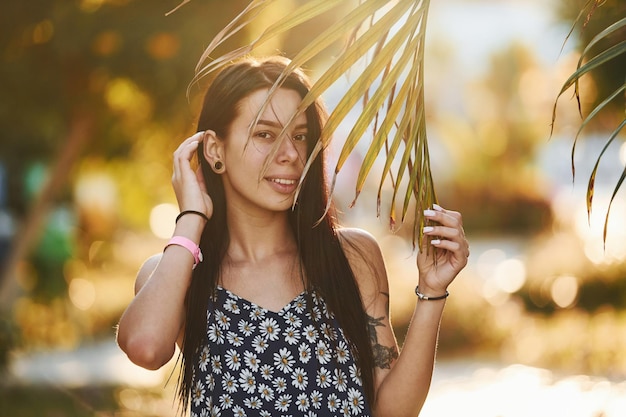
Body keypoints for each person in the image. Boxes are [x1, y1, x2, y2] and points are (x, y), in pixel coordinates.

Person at [116, 56, 469, 417]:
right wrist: (191, 217)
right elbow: (145, 347)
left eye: (300, 136)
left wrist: (432, 291)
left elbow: (391, 411)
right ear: (214, 149)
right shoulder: (177, 274)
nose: (290, 154)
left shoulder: (352, 257)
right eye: (265, 134)